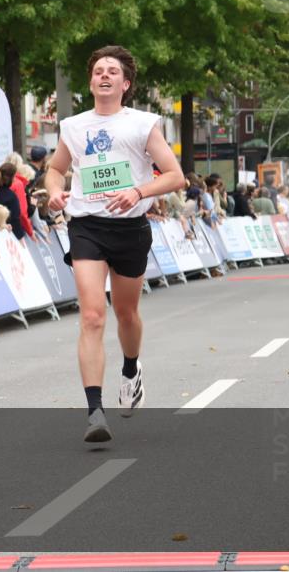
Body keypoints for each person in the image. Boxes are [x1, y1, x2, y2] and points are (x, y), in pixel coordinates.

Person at [45, 45, 183, 443]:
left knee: (126, 313)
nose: (104, 75)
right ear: (90, 82)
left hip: (130, 228)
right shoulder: (73, 125)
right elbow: (55, 170)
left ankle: (131, 368)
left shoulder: (143, 124)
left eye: (112, 71)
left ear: (125, 83)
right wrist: (55, 191)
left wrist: (138, 192)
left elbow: (174, 177)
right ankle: (94, 412)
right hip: (86, 225)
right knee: (92, 315)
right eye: (98, 71)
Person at [0, 163, 27, 240]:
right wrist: (20, 237)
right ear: (12, 178)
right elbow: (15, 218)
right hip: (5, 234)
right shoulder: (11, 196)